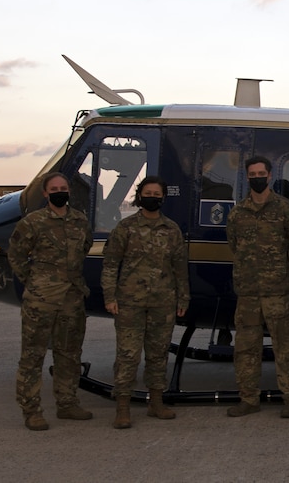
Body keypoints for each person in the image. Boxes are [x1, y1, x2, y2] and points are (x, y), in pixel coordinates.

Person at [102, 176, 190, 429]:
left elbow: (180, 268)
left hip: (163, 302)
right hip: (130, 303)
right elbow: (110, 265)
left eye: (157, 193)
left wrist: (183, 297)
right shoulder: (126, 228)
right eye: (148, 192)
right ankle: (122, 407)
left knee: (158, 354)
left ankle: (156, 402)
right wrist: (110, 297)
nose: (153, 197)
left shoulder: (171, 230)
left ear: (163, 198)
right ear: (140, 197)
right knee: (128, 355)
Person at [8, 172, 94, 431]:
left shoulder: (80, 220)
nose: (60, 191)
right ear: (45, 193)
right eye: (54, 188)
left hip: (72, 298)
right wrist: (35, 283)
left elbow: (85, 248)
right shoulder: (33, 222)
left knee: (69, 354)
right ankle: (31, 410)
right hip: (41, 300)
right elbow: (16, 255)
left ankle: (67, 403)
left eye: (63, 188)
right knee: (33, 356)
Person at [226, 156, 289, 419]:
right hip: (248, 295)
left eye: (261, 173)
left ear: (269, 176)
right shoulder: (238, 213)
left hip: (279, 294)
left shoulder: (286, 210)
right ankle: (248, 399)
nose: (257, 177)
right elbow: (235, 246)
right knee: (246, 349)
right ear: (247, 177)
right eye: (252, 174)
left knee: (285, 348)